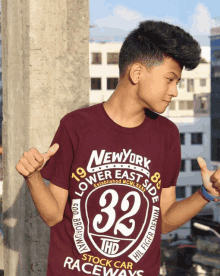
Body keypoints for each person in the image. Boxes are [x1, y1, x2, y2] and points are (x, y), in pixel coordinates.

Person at [16, 20, 220, 276]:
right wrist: (33, 177)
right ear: (136, 73)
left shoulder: (166, 135)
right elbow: (54, 216)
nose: (174, 92)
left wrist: (205, 194)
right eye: (170, 80)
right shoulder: (76, 125)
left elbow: (164, 221)